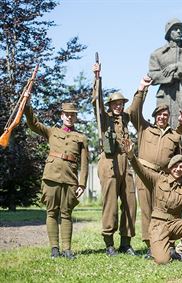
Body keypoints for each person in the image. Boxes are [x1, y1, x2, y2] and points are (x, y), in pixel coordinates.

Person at [124, 137, 182, 264]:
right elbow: (141, 171)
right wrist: (131, 155)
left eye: (181, 166)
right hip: (158, 226)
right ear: (170, 167)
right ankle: (163, 249)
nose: (178, 169)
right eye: (175, 166)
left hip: (175, 225)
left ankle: (179, 250)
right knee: (163, 261)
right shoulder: (158, 179)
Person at [24, 102, 88, 260]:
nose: (69, 117)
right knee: (51, 212)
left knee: (66, 214)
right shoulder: (51, 131)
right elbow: (33, 124)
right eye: (66, 114)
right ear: (62, 116)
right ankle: (54, 248)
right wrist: (27, 107)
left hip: (70, 179)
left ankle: (67, 249)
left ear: (75, 117)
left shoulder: (81, 137)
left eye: (72, 114)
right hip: (51, 177)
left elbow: (85, 163)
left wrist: (82, 184)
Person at [128, 76, 182, 258]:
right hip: (144, 173)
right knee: (146, 210)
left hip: (163, 177)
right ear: (155, 117)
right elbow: (134, 112)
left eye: (165, 115)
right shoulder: (144, 128)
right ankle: (151, 245)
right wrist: (142, 88)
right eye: (159, 115)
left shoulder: (174, 136)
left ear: (168, 118)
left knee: (165, 211)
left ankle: (168, 243)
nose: (162, 117)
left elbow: (178, 158)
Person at [92, 64, 137, 256]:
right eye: (115, 103)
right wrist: (97, 77)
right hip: (109, 163)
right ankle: (109, 243)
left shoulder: (126, 118)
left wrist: (141, 89)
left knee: (130, 203)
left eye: (121, 103)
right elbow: (97, 101)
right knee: (110, 204)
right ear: (110, 105)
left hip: (125, 162)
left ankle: (125, 243)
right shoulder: (104, 118)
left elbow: (136, 106)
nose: (119, 106)